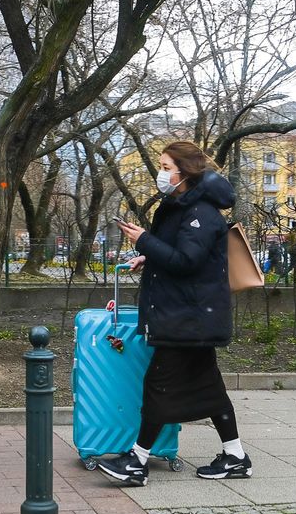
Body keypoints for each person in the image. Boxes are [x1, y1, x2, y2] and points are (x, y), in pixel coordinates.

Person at [96, 141, 251, 486]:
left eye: (166, 166)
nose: (161, 172)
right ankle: (236, 456)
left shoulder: (202, 212)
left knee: (159, 385)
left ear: (184, 172)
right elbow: (179, 253)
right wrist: (148, 255)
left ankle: (137, 461)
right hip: (190, 313)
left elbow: (187, 262)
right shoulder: (183, 206)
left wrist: (144, 241)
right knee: (209, 388)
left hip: (189, 317)